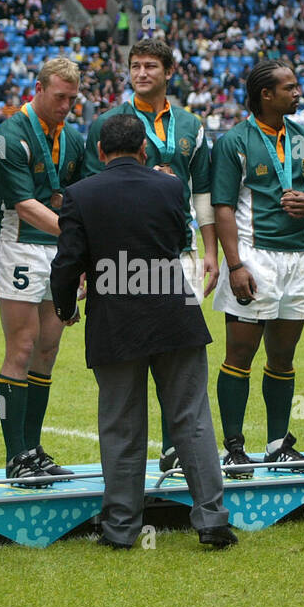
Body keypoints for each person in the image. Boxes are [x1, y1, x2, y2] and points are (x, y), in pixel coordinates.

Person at [51, 114, 236, 550]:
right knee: (192, 420)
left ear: (99, 152)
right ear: (144, 150)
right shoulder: (171, 186)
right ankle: (212, 520)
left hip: (115, 321)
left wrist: (64, 306)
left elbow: (67, 260)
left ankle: (121, 528)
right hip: (173, 313)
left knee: (121, 426)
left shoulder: (79, 194)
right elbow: (175, 240)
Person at [84, 37, 218, 472]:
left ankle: (177, 446)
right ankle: (141, 455)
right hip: (123, 257)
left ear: (168, 72)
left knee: (177, 350)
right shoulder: (108, 122)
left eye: (150, 67)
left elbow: (203, 193)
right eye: (135, 66)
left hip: (179, 251)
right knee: (132, 352)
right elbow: (91, 194)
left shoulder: (191, 124)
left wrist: (210, 250)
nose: (142, 73)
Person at [211, 59, 304, 475]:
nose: (298, 94)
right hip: (254, 256)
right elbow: (222, 206)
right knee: (239, 355)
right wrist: (235, 265)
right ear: (266, 94)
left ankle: (278, 444)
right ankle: (233, 447)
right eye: (290, 88)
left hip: (298, 255)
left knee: (283, 356)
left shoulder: (302, 137)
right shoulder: (234, 142)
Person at [0, 58, 84, 480]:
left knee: (48, 351)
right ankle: (15, 455)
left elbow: (79, 195)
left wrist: (78, 254)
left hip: (59, 253)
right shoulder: (9, 136)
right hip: (21, 248)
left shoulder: (74, 138)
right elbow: (24, 205)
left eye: (72, 99)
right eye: (60, 96)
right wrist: (75, 235)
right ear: (39, 89)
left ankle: (34, 449)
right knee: (22, 349)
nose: (66, 105)